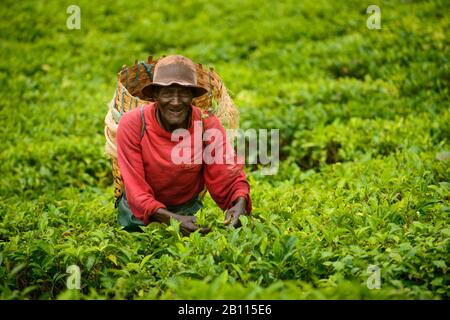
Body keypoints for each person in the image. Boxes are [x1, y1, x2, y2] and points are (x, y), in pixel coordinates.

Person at [116, 55, 252, 236]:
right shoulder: (133, 123)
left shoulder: (206, 124)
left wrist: (239, 202)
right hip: (138, 213)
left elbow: (226, 174)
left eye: (184, 93)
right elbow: (136, 189)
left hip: (186, 211)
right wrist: (171, 220)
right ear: (155, 95)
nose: (176, 101)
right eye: (167, 93)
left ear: (193, 97)